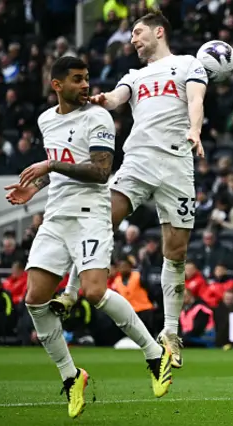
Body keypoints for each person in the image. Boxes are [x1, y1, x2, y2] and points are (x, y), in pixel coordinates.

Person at [3, 56, 173, 419]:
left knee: (94, 291)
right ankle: (71, 376)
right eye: (78, 80)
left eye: (87, 79)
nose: (85, 86)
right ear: (57, 85)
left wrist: (50, 166)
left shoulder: (98, 117)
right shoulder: (46, 119)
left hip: (90, 215)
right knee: (34, 299)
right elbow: (63, 164)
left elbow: (99, 171)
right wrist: (35, 186)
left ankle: (155, 354)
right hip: (56, 216)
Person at [50, 10, 208, 369]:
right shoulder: (134, 75)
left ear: (158, 31)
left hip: (177, 164)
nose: (133, 40)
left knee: (177, 251)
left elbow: (196, 100)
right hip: (137, 161)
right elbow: (118, 98)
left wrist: (195, 130)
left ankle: (169, 333)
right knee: (101, 218)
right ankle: (72, 291)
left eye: (137, 33)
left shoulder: (187, 64)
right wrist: (102, 100)